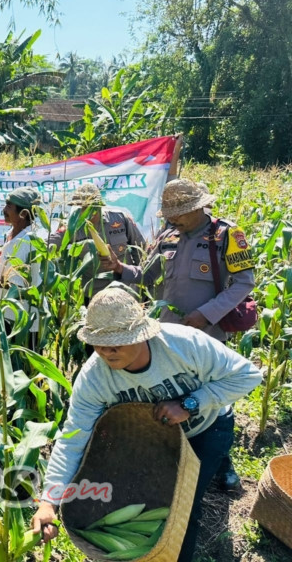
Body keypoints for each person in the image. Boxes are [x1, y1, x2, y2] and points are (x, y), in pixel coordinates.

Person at [31, 287, 262, 562]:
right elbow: (73, 438)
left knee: (183, 508)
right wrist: (49, 500)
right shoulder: (94, 378)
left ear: (142, 334)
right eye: (99, 342)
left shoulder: (184, 344)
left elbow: (248, 376)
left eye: (118, 340)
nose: (107, 350)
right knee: (151, 498)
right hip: (149, 438)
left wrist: (191, 403)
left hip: (205, 429)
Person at [104, 178, 255, 489]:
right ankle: (176, 454)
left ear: (199, 207)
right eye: (171, 214)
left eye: (181, 214)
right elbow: (146, 276)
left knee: (213, 399)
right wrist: (121, 269)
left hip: (207, 335)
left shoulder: (227, 235)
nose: (174, 220)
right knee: (173, 394)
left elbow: (243, 283)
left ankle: (222, 463)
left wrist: (206, 314)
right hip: (165, 334)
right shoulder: (168, 235)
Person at [50, 183, 145, 298]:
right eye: (81, 207)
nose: (85, 211)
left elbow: (141, 250)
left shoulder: (120, 218)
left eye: (89, 206)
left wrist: (142, 282)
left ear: (99, 205)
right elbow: (50, 243)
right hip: (94, 294)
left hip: (126, 290)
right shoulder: (72, 227)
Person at [0, 186, 43, 343]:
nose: (4, 209)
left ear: (23, 214)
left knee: (21, 362)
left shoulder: (27, 241)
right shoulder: (13, 233)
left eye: (9, 206)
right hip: (8, 311)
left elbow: (14, 287)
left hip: (23, 318)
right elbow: (9, 258)